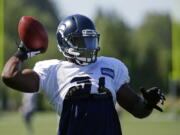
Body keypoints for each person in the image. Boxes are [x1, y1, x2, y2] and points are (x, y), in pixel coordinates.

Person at [1, 14, 165, 135]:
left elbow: (137, 109)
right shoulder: (52, 71)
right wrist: (23, 52)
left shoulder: (111, 66)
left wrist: (148, 104)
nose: (87, 46)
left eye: (90, 40)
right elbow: (10, 76)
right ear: (65, 43)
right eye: (81, 41)